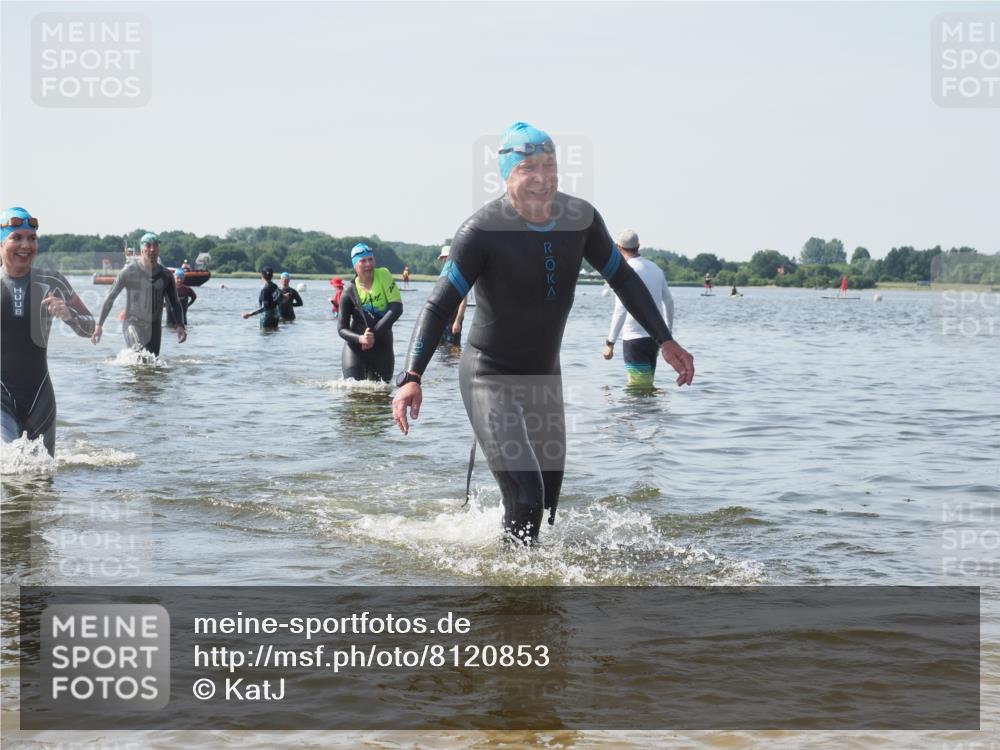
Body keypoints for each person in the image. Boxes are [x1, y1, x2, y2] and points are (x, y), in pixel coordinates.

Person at [392, 122, 694, 544]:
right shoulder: (481, 230)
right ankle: (516, 601)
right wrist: (411, 377)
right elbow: (439, 305)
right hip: (488, 375)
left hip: (543, 377)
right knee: (527, 497)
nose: (542, 177)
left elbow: (623, 279)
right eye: (528, 168)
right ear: (506, 174)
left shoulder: (581, 220)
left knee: (547, 504)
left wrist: (664, 339)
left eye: (549, 165)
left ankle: (527, 584)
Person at [1, 207, 96, 456]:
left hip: (40, 396)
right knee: (10, 466)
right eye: (17, 237)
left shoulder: (51, 281)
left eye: (32, 238)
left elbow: (90, 327)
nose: (25, 245)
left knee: (43, 479)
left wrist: (68, 314)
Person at [93, 232, 187, 356]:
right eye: (148, 246)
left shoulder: (166, 275)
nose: (152, 249)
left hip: (154, 326)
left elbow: (175, 302)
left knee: (152, 364)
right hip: (132, 323)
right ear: (142, 250)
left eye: (155, 245)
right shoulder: (128, 272)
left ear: (159, 248)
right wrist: (99, 325)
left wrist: (180, 325)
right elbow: (110, 298)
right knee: (139, 357)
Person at [602, 230, 675, 387]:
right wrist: (667, 336)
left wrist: (610, 343)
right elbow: (669, 302)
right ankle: (653, 412)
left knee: (638, 389)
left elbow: (620, 309)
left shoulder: (623, 272)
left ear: (618, 247)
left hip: (634, 339)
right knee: (648, 386)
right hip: (655, 339)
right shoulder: (656, 268)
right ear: (638, 246)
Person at [338, 243, 403, 381]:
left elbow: (397, 308)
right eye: (363, 260)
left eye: (371, 259)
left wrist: (373, 334)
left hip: (382, 345)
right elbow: (342, 329)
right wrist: (361, 338)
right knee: (354, 393)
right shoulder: (349, 291)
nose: (368, 264)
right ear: (355, 265)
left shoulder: (383, 275)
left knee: (382, 393)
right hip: (356, 348)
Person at [437, 245, 468, 347]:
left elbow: (463, 301)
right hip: (443, 321)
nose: (443, 260)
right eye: (442, 258)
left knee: (453, 347)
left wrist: (457, 321)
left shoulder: (458, 275)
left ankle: (456, 363)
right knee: (441, 349)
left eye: (445, 257)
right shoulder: (444, 275)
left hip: (453, 321)